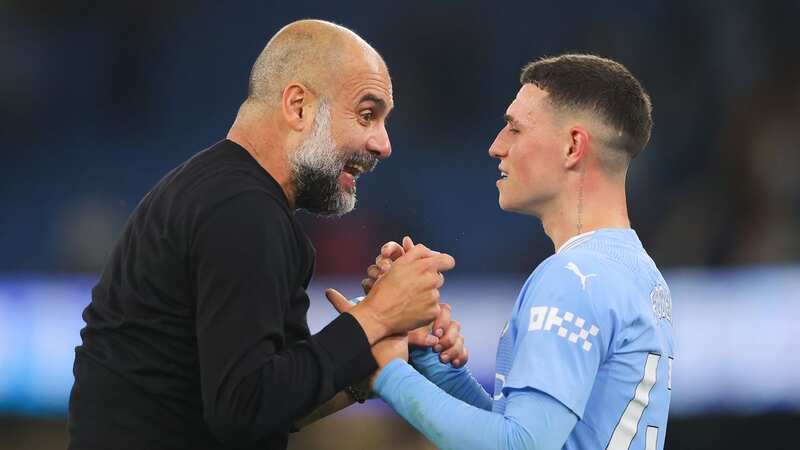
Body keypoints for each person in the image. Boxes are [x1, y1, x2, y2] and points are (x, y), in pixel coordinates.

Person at [67, 20, 464, 450]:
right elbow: (243, 410)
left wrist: (369, 357)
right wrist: (375, 316)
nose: (383, 144)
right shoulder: (242, 210)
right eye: (367, 115)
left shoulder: (230, 196)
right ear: (297, 107)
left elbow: (271, 404)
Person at [358, 54, 675, 450]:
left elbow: (519, 445)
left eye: (515, 129)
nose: (496, 147)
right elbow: (529, 434)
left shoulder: (573, 278)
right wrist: (430, 363)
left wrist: (387, 372)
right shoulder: (637, 272)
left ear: (573, 146)